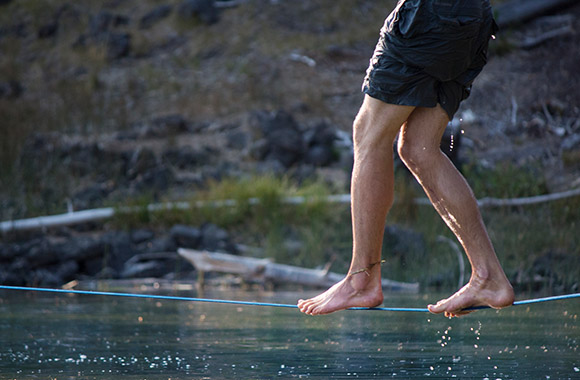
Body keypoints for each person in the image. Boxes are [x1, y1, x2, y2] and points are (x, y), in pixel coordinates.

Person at [297, 0, 514, 318]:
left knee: (369, 135)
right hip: (473, 17)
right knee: (418, 148)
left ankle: (362, 281)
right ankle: (489, 277)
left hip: (429, 15)